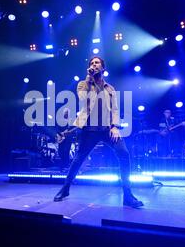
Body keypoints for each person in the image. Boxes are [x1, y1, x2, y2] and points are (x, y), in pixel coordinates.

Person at [53, 56, 144, 208]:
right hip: (89, 130)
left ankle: (127, 195)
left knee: (124, 154)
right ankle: (65, 188)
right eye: (91, 63)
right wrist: (89, 80)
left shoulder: (110, 89)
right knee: (78, 159)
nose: (94, 65)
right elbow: (83, 99)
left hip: (107, 129)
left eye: (97, 63)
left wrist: (115, 126)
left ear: (103, 68)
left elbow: (115, 109)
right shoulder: (83, 84)